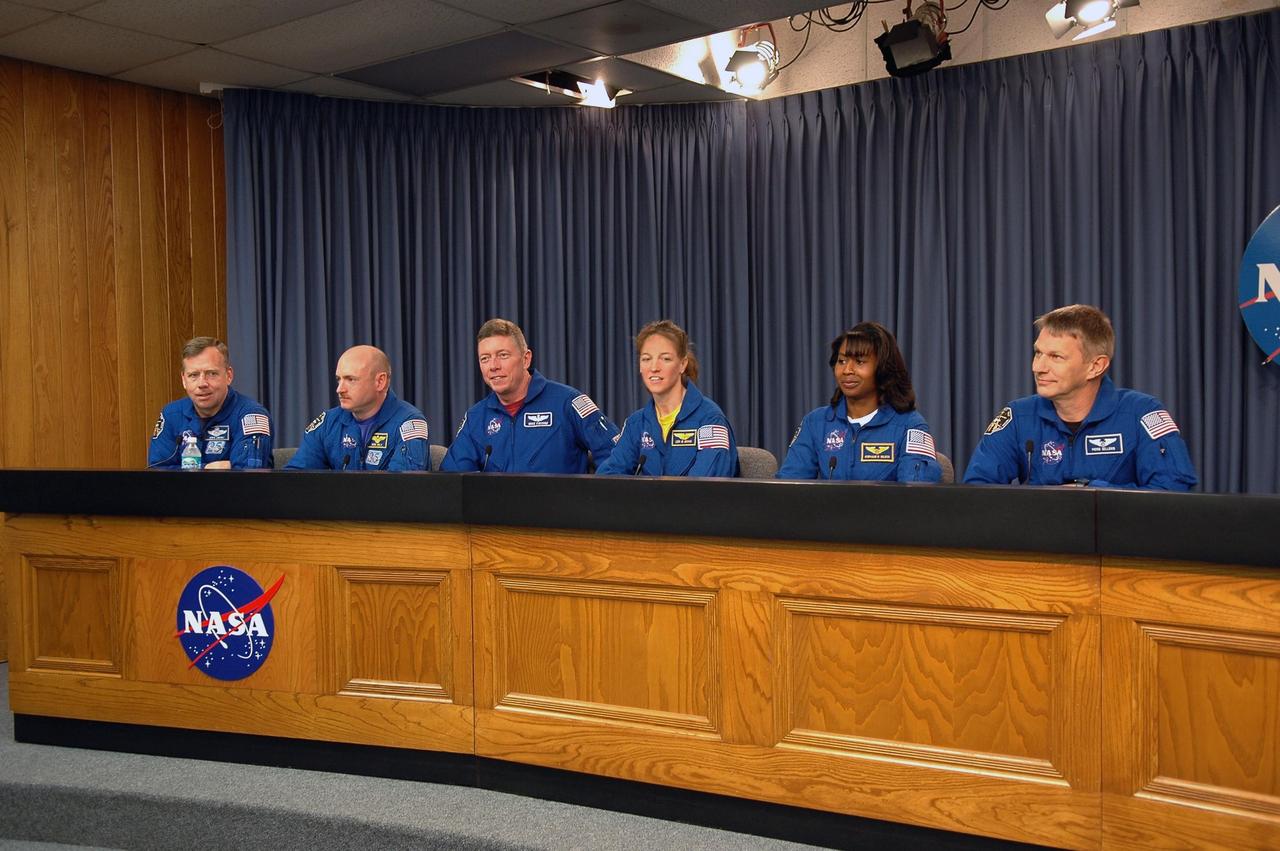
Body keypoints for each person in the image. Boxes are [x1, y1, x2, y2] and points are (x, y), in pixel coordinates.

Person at [963, 304, 1197, 489]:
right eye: (1038, 353)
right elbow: (978, 488)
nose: (1038, 367)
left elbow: (1172, 491)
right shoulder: (1018, 416)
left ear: (1096, 366)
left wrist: (1089, 494)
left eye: (1056, 357)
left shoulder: (1142, 413)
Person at [441, 318, 620, 473]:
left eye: (502, 355)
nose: (493, 366)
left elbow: (617, 457)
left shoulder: (568, 403)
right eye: (485, 358)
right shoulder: (476, 417)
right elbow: (453, 478)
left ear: (526, 359)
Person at [776, 322, 942, 482]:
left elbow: (917, 495)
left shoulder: (911, 425)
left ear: (883, 368)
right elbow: (788, 490)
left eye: (860, 362)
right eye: (842, 361)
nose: (847, 370)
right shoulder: (816, 422)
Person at [597, 320, 738, 477]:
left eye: (665, 359)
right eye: (646, 359)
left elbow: (705, 490)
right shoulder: (636, 423)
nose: (654, 367)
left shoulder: (710, 419)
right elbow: (608, 479)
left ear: (682, 364)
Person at [285, 345, 429, 471]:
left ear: (380, 381)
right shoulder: (328, 422)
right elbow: (295, 479)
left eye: (350, 379)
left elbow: (404, 489)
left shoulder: (409, 423)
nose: (339, 389)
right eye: (338, 379)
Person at [148, 337, 272, 469]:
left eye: (211, 374)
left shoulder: (251, 416)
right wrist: (208, 469)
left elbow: (247, 476)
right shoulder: (171, 414)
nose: (202, 384)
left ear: (228, 376)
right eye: (193, 375)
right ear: (184, 380)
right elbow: (157, 473)